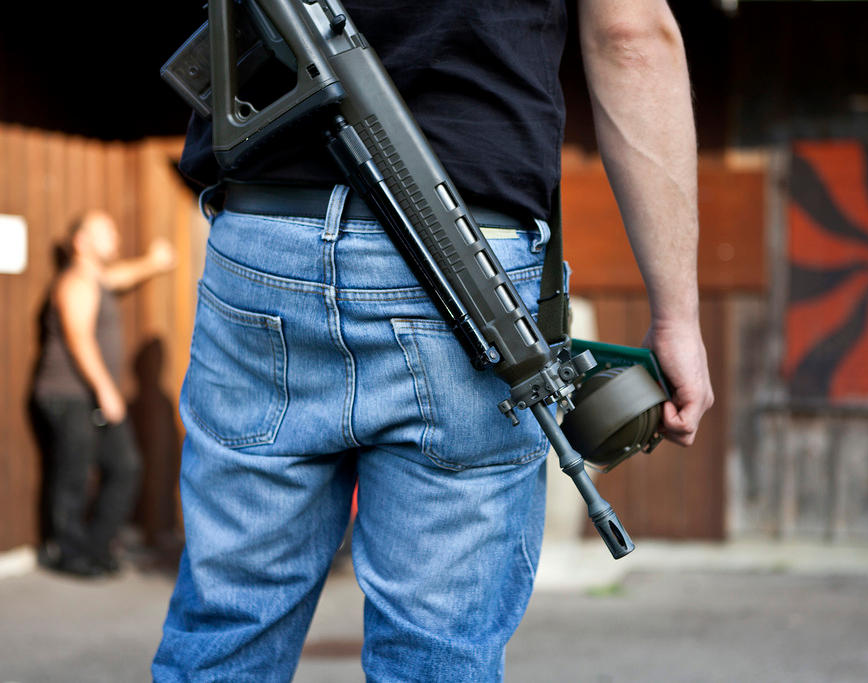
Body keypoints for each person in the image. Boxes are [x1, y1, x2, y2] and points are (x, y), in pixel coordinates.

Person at [153, 0, 713, 679]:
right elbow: (629, 34)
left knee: (226, 631)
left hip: (270, 235)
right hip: (469, 255)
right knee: (437, 652)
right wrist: (677, 314)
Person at [33, 211, 176, 577]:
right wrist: (105, 390)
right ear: (81, 242)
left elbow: (121, 275)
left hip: (90, 397)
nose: (114, 234)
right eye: (104, 230)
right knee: (74, 474)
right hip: (69, 396)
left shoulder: (97, 279)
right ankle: (68, 553)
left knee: (125, 467)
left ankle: (95, 547)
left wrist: (153, 263)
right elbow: (78, 339)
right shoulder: (76, 282)